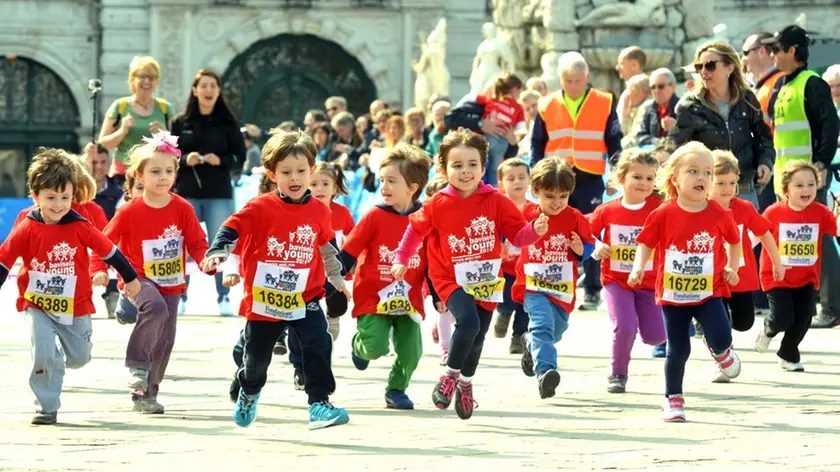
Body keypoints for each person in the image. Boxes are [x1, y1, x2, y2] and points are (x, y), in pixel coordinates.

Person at [391, 128, 547, 420]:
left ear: (483, 166)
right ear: (444, 168)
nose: (465, 171)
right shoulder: (438, 203)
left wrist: (534, 232)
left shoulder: (496, 201)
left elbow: (518, 235)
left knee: (477, 338)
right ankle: (449, 376)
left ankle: (465, 383)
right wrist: (402, 258)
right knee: (468, 321)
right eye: (457, 165)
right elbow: (414, 231)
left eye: (472, 164)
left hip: (486, 279)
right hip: (449, 278)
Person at [202, 130, 351, 430]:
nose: (294, 178)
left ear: (311, 170)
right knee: (256, 361)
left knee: (318, 342)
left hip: (305, 296)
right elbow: (231, 229)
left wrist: (337, 279)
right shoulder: (260, 207)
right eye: (286, 172)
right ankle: (249, 388)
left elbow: (327, 247)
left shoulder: (320, 211)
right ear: (272, 173)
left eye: (301, 171)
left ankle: (319, 404)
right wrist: (218, 252)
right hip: (265, 301)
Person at [0, 149, 140, 425]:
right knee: (42, 351)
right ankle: (46, 405)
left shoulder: (80, 225)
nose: (58, 205)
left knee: (79, 358)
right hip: (36, 301)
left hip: (74, 304)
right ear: (35, 196)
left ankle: (59, 361)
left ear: (73, 195)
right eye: (50, 198)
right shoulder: (26, 225)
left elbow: (109, 251)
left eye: (65, 198)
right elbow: (4, 260)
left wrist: (131, 278)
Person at [91, 131, 210, 414]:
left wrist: (206, 261)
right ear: (140, 176)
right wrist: (98, 269)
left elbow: (196, 242)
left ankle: (147, 394)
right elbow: (103, 244)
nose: (163, 177)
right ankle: (136, 365)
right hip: (137, 277)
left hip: (171, 282)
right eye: (155, 171)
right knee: (154, 309)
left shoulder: (182, 208)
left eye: (169, 171)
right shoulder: (129, 211)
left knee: (165, 337)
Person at [628, 142, 743, 422]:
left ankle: (720, 351)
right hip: (673, 297)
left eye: (707, 172)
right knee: (678, 349)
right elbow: (645, 243)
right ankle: (673, 398)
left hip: (709, 291)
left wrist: (731, 265)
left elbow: (734, 241)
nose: (701, 177)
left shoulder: (719, 213)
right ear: (674, 179)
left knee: (722, 335)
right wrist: (638, 267)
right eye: (693, 171)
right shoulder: (663, 214)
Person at [531, 51, 623, 311]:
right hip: (555, 177)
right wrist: (536, 174)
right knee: (549, 229)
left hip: (589, 175)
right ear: (560, 78)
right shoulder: (546, 104)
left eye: (578, 80)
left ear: (587, 77)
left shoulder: (604, 101)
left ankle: (592, 289)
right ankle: (551, 283)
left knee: (590, 230)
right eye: (568, 80)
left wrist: (615, 173)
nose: (573, 86)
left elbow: (614, 141)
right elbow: (537, 143)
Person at [761, 25, 840, 329]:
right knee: (796, 241)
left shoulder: (813, 84)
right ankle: (802, 302)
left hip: (808, 179)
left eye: (776, 49)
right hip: (786, 180)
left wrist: (819, 163)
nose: (772, 54)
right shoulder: (781, 85)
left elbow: (829, 127)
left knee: (820, 237)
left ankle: (831, 305)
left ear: (792, 51)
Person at [341, 144, 431, 410]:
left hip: (409, 299)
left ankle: (396, 389)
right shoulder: (374, 215)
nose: (384, 186)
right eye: (382, 180)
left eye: (392, 181)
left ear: (412, 187)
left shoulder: (427, 218)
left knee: (412, 351)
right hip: (372, 296)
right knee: (375, 346)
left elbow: (435, 260)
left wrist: (439, 294)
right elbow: (349, 251)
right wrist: (332, 279)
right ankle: (359, 347)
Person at [514, 157, 595, 399]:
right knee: (543, 325)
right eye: (550, 196)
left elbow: (589, 249)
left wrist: (581, 249)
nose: (557, 202)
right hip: (532, 284)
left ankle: (530, 343)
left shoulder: (575, 217)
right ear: (535, 191)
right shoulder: (526, 213)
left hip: (561, 288)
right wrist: (529, 231)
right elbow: (515, 236)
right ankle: (546, 372)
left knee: (555, 331)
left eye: (563, 196)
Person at [170, 69, 247, 317]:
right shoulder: (180, 123)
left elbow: (240, 158)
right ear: (195, 90)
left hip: (218, 192)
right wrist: (184, 160)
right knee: (181, 244)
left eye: (213, 86)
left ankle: (223, 296)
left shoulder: (229, 123)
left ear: (218, 90)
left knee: (220, 243)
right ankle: (180, 295)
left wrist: (221, 160)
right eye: (203, 85)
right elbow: (168, 155)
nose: (208, 90)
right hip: (187, 192)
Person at [589, 149, 666, 394]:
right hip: (616, 281)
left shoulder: (660, 208)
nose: (644, 183)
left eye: (650, 178)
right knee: (625, 326)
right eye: (637, 177)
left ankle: (653, 333)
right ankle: (618, 373)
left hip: (649, 282)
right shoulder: (607, 210)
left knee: (655, 337)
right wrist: (597, 246)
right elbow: (585, 233)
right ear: (620, 178)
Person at [708, 150, 784, 383]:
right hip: (711, 279)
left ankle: (716, 334)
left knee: (744, 323)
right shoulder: (699, 208)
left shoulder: (744, 208)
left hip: (740, 277)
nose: (727, 188)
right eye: (720, 183)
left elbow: (765, 233)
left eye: (732, 182)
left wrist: (777, 261)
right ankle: (721, 352)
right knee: (718, 324)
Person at [669, 41, 774, 208]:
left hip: (744, 186)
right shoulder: (690, 106)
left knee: (746, 234)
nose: (703, 72)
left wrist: (765, 162)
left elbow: (764, 137)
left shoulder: (747, 99)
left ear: (729, 68)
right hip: (708, 191)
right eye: (699, 67)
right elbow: (674, 146)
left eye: (710, 65)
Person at [756, 161, 839, 370]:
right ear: (786, 189)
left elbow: (836, 229)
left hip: (807, 277)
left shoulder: (820, 212)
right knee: (782, 318)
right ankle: (768, 329)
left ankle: (788, 355)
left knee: (802, 321)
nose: (806, 190)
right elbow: (756, 236)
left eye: (811, 184)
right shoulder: (774, 212)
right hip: (776, 276)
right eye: (799, 185)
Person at [98, 56, 172, 185]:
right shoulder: (119, 106)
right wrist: (122, 131)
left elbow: (177, 147)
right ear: (132, 79)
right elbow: (103, 145)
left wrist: (165, 134)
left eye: (151, 77)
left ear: (157, 81)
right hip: (123, 176)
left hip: (155, 177)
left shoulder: (165, 108)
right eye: (142, 76)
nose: (147, 81)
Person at [494, 158, 536, 354]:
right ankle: (503, 314)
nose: (517, 182)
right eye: (511, 178)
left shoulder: (535, 210)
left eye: (521, 177)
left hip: (528, 267)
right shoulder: (497, 208)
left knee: (525, 303)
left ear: (530, 180)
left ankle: (518, 338)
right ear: (501, 184)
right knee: (507, 300)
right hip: (504, 268)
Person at [474, 73, 527, 185]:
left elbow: (475, 98)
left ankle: (478, 185)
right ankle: (493, 190)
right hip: (503, 141)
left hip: (488, 138)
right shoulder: (518, 107)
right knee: (495, 170)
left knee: (479, 166)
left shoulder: (491, 99)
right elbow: (522, 128)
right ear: (514, 90)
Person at [632, 69, 679, 147]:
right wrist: (658, 143)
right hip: (654, 154)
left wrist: (675, 128)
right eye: (653, 87)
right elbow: (640, 135)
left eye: (661, 86)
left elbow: (691, 137)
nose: (656, 90)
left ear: (673, 86)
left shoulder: (683, 107)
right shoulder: (649, 108)